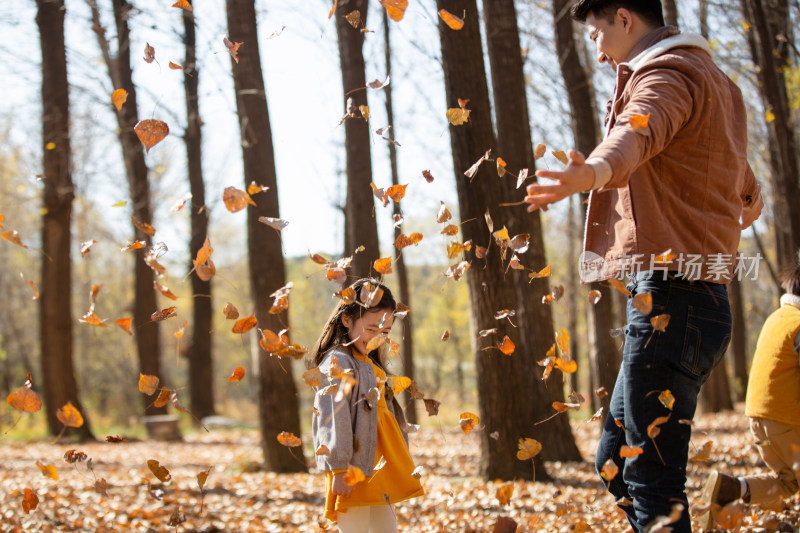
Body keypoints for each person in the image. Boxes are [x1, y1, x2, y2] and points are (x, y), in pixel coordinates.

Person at [524, 1, 763, 531]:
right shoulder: (716, 84)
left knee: (652, 481)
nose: (596, 45)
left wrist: (590, 175)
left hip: (673, 304)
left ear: (625, 20)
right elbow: (748, 190)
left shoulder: (667, 75)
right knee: (615, 462)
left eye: (596, 31)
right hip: (692, 306)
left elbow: (638, 133)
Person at [310, 279, 423, 532]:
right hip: (353, 467)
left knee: (386, 527)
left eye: (385, 332)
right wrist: (338, 468)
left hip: (378, 465)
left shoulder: (366, 361)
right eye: (371, 329)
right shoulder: (340, 362)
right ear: (347, 319)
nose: (377, 339)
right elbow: (333, 415)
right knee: (355, 527)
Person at [697, 254, 800, 529]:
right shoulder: (799, 324)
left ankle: (730, 489)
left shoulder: (778, 318)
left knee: (788, 483)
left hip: (759, 422)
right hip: (787, 422)